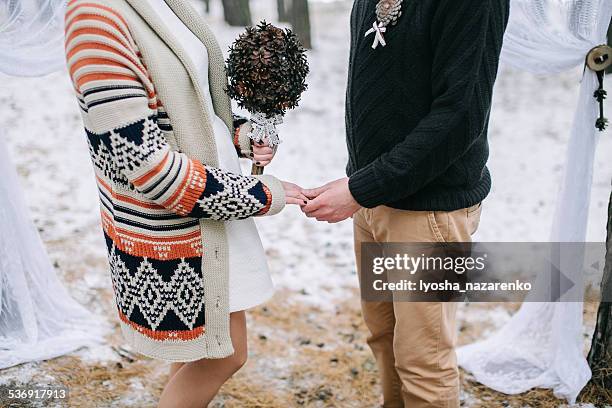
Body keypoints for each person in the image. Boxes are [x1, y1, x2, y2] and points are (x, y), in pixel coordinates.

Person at [64, 0, 306, 406]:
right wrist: (262, 195)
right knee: (226, 354)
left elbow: (192, 111)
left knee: (199, 353)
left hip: (215, 209)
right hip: (176, 228)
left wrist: (242, 138)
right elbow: (147, 168)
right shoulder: (93, 16)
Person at [303, 1, 510, 407]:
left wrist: (362, 188)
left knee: (423, 364)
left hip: (429, 212)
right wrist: (363, 188)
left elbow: (460, 116)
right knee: (383, 339)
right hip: (372, 201)